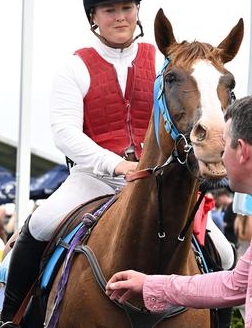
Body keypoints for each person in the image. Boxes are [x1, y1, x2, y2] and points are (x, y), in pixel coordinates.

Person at [0, 0, 154, 325]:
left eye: (128, 8)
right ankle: (11, 317)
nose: (120, 17)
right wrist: (115, 164)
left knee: (219, 247)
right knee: (40, 225)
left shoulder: (160, 60)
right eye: (110, 10)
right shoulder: (74, 66)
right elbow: (65, 133)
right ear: (93, 18)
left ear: (137, 11)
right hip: (93, 180)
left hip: (151, 179)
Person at [105, 96, 252, 325]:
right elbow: (236, 285)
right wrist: (150, 285)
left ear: (242, 151)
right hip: (98, 175)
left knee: (224, 253)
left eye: (224, 145)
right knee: (40, 226)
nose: (221, 157)